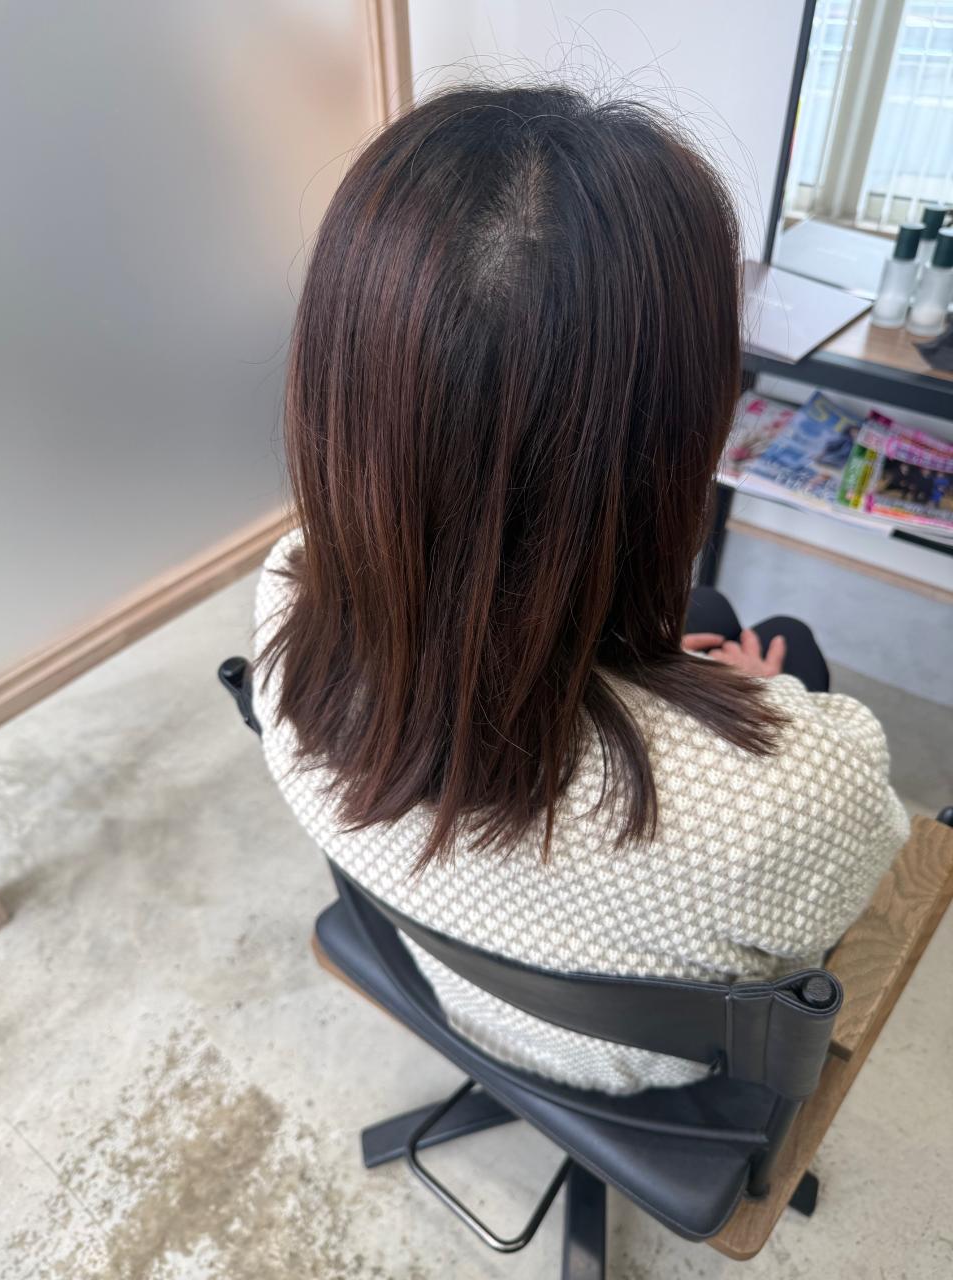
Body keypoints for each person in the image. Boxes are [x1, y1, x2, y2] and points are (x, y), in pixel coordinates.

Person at [253, 86, 909, 1095]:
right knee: (782, 640)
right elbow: (843, 903)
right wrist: (760, 720)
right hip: (627, 1066)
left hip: (437, 973)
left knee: (710, 621)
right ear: (678, 422)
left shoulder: (287, 594)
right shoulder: (797, 795)